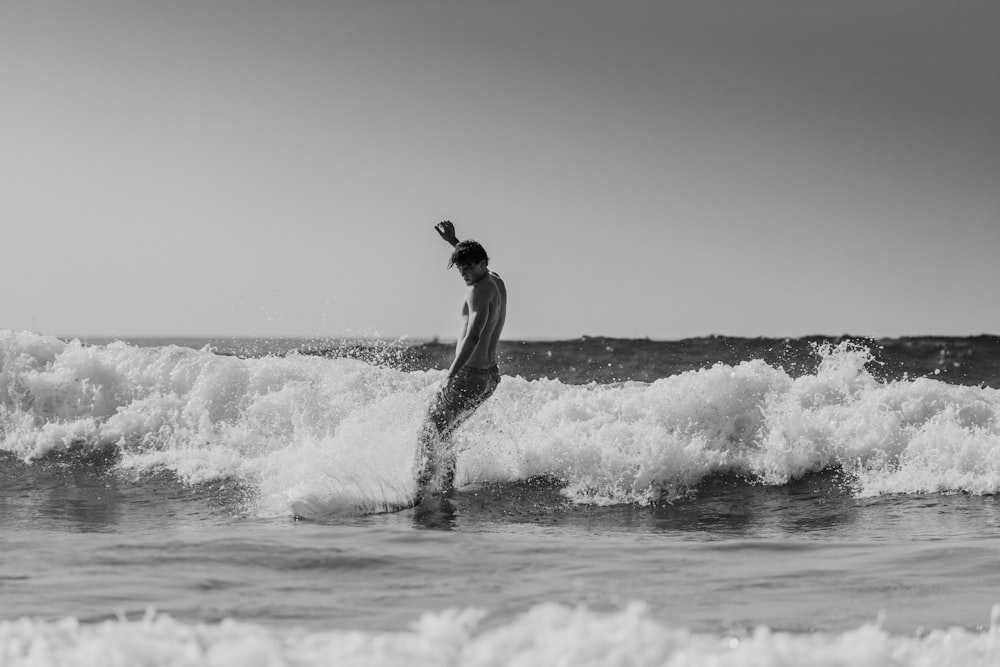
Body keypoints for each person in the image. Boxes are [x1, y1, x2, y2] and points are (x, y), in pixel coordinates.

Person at [414, 220, 507, 503]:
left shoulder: (479, 291)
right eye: (460, 269)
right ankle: (442, 492)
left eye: (468, 268)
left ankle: (418, 496)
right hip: (489, 377)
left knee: (429, 432)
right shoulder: (495, 281)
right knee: (446, 433)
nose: (464, 274)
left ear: (481, 263)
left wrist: (451, 374)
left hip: (470, 374)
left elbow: (475, 334)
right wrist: (453, 241)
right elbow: (473, 259)